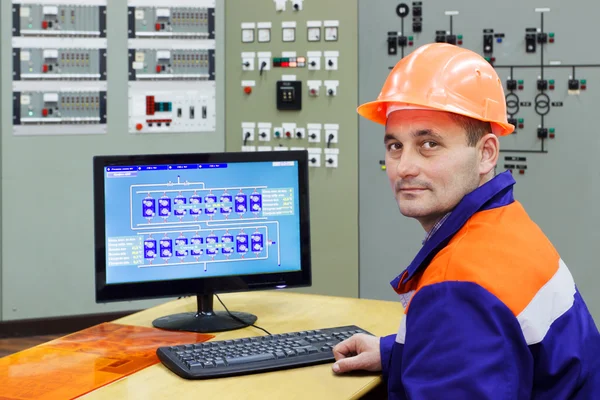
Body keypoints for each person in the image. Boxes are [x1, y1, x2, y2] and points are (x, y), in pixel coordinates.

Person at [332, 43, 600, 399]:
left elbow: (468, 329)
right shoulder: (504, 224)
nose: (404, 167)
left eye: (429, 144)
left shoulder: (457, 287)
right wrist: (397, 351)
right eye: (395, 145)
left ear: (486, 153)